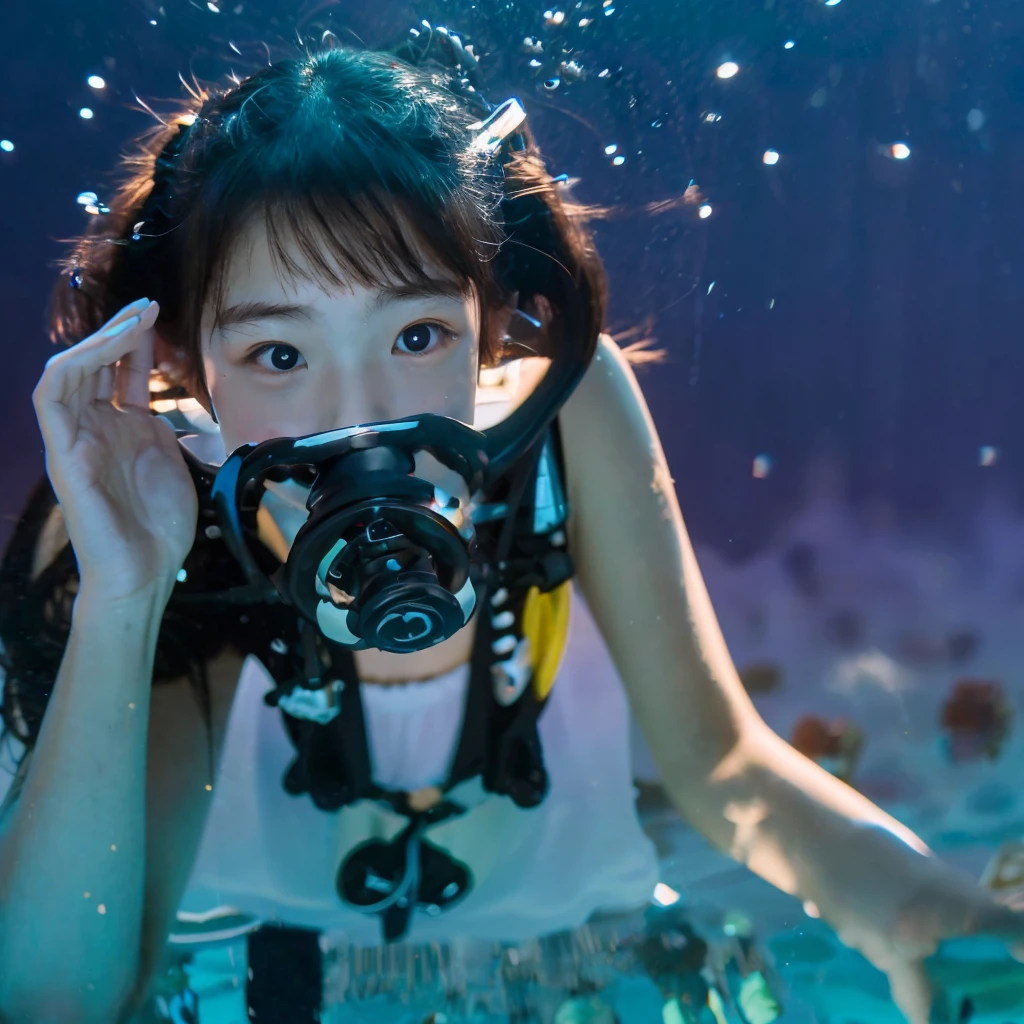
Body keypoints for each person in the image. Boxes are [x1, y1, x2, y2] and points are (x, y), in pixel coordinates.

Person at [0, 36, 1021, 1024]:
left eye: (415, 335)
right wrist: (123, 596)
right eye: (277, 354)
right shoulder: (143, 504)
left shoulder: (565, 412)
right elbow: (58, 1000)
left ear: (492, 329)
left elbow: (723, 767)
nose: (358, 416)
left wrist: (926, 918)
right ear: (181, 359)